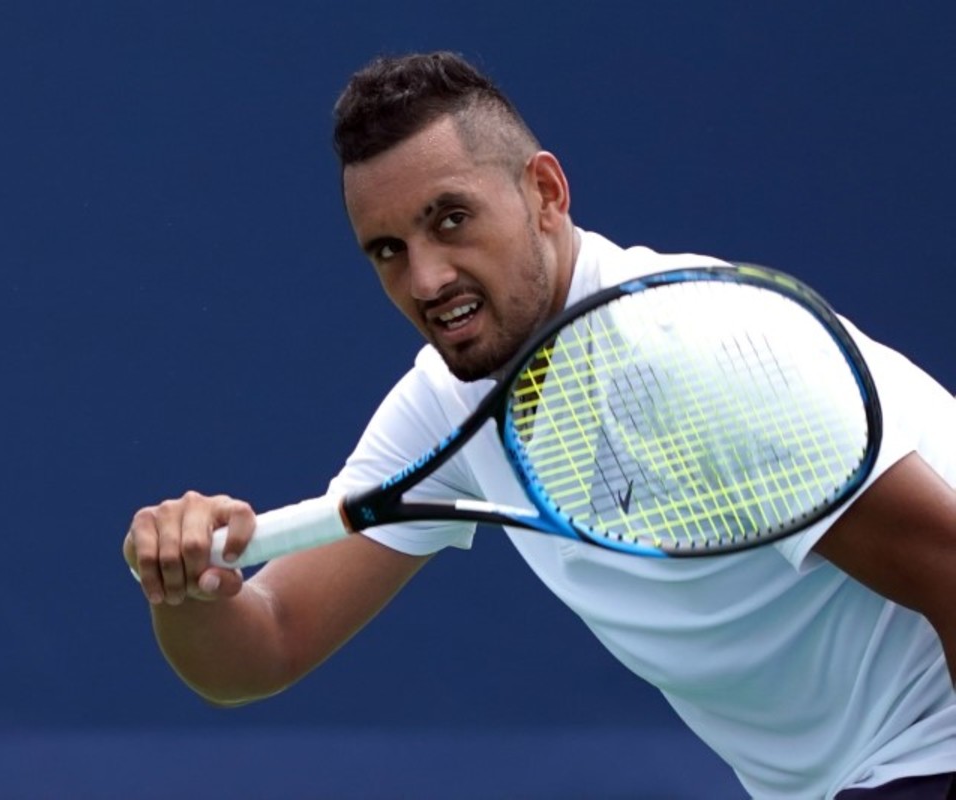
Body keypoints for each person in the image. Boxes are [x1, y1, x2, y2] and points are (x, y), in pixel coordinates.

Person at [123, 51, 956, 798]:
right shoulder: (448, 402)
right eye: (388, 250)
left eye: (451, 219)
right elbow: (266, 647)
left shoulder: (695, 354)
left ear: (546, 194)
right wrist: (188, 588)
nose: (426, 279)